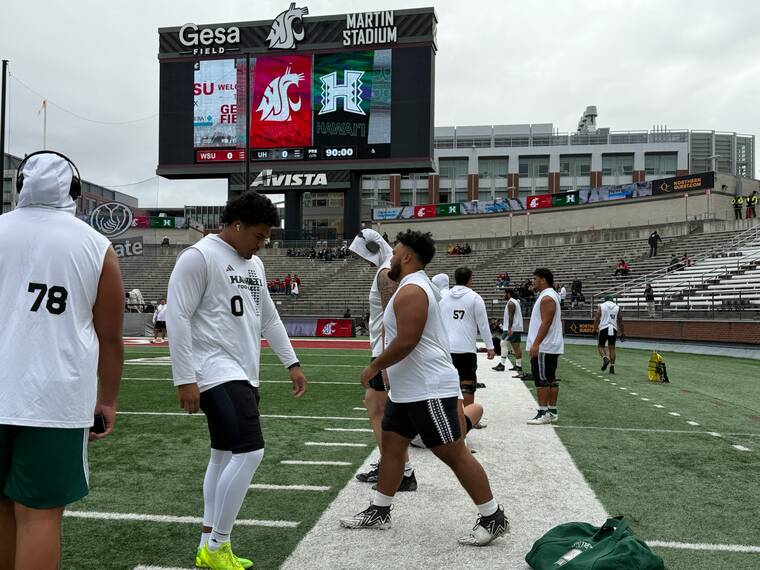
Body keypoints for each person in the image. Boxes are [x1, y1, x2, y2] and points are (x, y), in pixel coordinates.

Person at [166, 191, 308, 570]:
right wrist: (184, 378)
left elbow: (270, 319)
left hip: (246, 371)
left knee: (224, 455)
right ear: (236, 225)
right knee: (251, 451)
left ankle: (206, 543)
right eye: (258, 236)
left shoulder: (255, 265)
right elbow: (176, 318)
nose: (261, 244)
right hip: (213, 370)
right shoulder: (199, 256)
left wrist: (291, 363)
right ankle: (218, 545)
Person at [340, 230, 508, 546]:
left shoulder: (412, 290)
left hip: (428, 388)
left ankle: (492, 516)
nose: (389, 257)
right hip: (409, 390)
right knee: (392, 447)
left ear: (406, 256)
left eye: (395, 252)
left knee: (453, 453)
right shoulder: (410, 286)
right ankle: (379, 510)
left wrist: (375, 367)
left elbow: (407, 340)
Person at [0, 152, 124, 569]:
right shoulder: (94, 244)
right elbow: (109, 337)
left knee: (1, 507)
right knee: (39, 515)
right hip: (54, 397)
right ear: (74, 191)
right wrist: (107, 400)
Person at [349, 229, 416, 491]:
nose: (364, 261)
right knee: (373, 404)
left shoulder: (386, 272)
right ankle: (394, 465)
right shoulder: (388, 269)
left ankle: (401, 470)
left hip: (383, 351)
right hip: (381, 350)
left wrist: (385, 363)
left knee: (383, 414)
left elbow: (392, 319)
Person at [440, 267, 495, 409]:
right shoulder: (475, 297)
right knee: (467, 384)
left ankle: (450, 417)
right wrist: (490, 346)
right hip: (466, 348)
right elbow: (483, 325)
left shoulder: (443, 297)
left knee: (448, 384)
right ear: (470, 279)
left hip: (446, 348)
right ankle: (467, 418)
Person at [526, 268, 564, 425]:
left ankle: (543, 412)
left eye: (535, 278)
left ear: (543, 280)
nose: (533, 281)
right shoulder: (550, 295)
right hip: (550, 345)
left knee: (541, 379)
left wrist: (536, 344)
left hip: (545, 346)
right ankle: (552, 411)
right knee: (550, 378)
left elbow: (546, 322)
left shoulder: (547, 297)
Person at [493, 289, 523, 373]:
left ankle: (502, 364)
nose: (504, 295)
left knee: (503, 343)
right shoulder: (515, 301)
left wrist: (509, 328)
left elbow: (511, 317)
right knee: (516, 347)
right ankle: (518, 365)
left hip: (512, 328)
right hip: (517, 327)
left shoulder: (510, 303)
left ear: (509, 294)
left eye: (505, 293)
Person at [593, 294, 624, 374]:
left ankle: (605, 358)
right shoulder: (617, 307)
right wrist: (622, 332)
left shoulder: (601, 306)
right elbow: (620, 321)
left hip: (604, 328)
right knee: (612, 348)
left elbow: (597, 317)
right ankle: (612, 367)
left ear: (605, 300)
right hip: (613, 328)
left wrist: (595, 329)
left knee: (600, 346)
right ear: (612, 300)